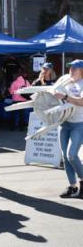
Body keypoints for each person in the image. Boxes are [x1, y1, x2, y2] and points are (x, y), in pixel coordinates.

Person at [54, 60, 83, 198]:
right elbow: (53, 92)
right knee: (65, 157)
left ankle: (82, 181)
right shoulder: (64, 79)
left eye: (74, 68)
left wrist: (65, 97)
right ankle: (72, 186)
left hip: (79, 123)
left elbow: (81, 102)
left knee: (72, 155)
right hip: (64, 122)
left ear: (81, 70)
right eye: (70, 67)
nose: (71, 69)